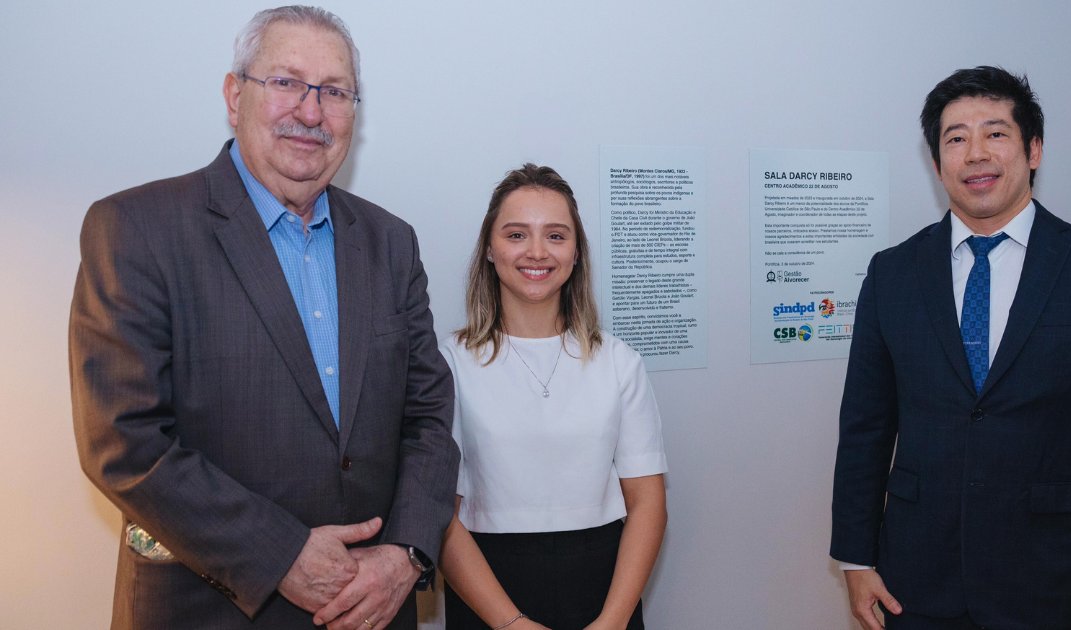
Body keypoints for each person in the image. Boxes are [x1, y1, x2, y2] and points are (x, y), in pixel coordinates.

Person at [68, 6, 459, 629]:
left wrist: (404, 556)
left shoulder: (391, 242)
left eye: (334, 91)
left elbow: (429, 418)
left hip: (372, 608)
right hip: (210, 608)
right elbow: (123, 442)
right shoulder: (137, 229)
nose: (311, 112)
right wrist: (280, 556)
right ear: (234, 94)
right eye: (285, 82)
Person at [830, 66, 1071, 630]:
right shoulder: (891, 275)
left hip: (1054, 584)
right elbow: (864, 427)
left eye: (995, 133)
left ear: (1033, 150)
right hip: (913, 581)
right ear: (937, 163)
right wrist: (856, 558)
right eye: (956, 138)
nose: (975, 153)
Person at [438, 164, 668, 630]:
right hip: (489, 594)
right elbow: (441, 515)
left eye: (556, 236)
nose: (537, 252)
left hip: (604, 593)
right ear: (489, 248)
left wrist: (614, 620)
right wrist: (510, 624)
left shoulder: (619, 362)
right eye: (517, 234)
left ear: (577, 251)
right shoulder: (449, 365)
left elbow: (648, 503)